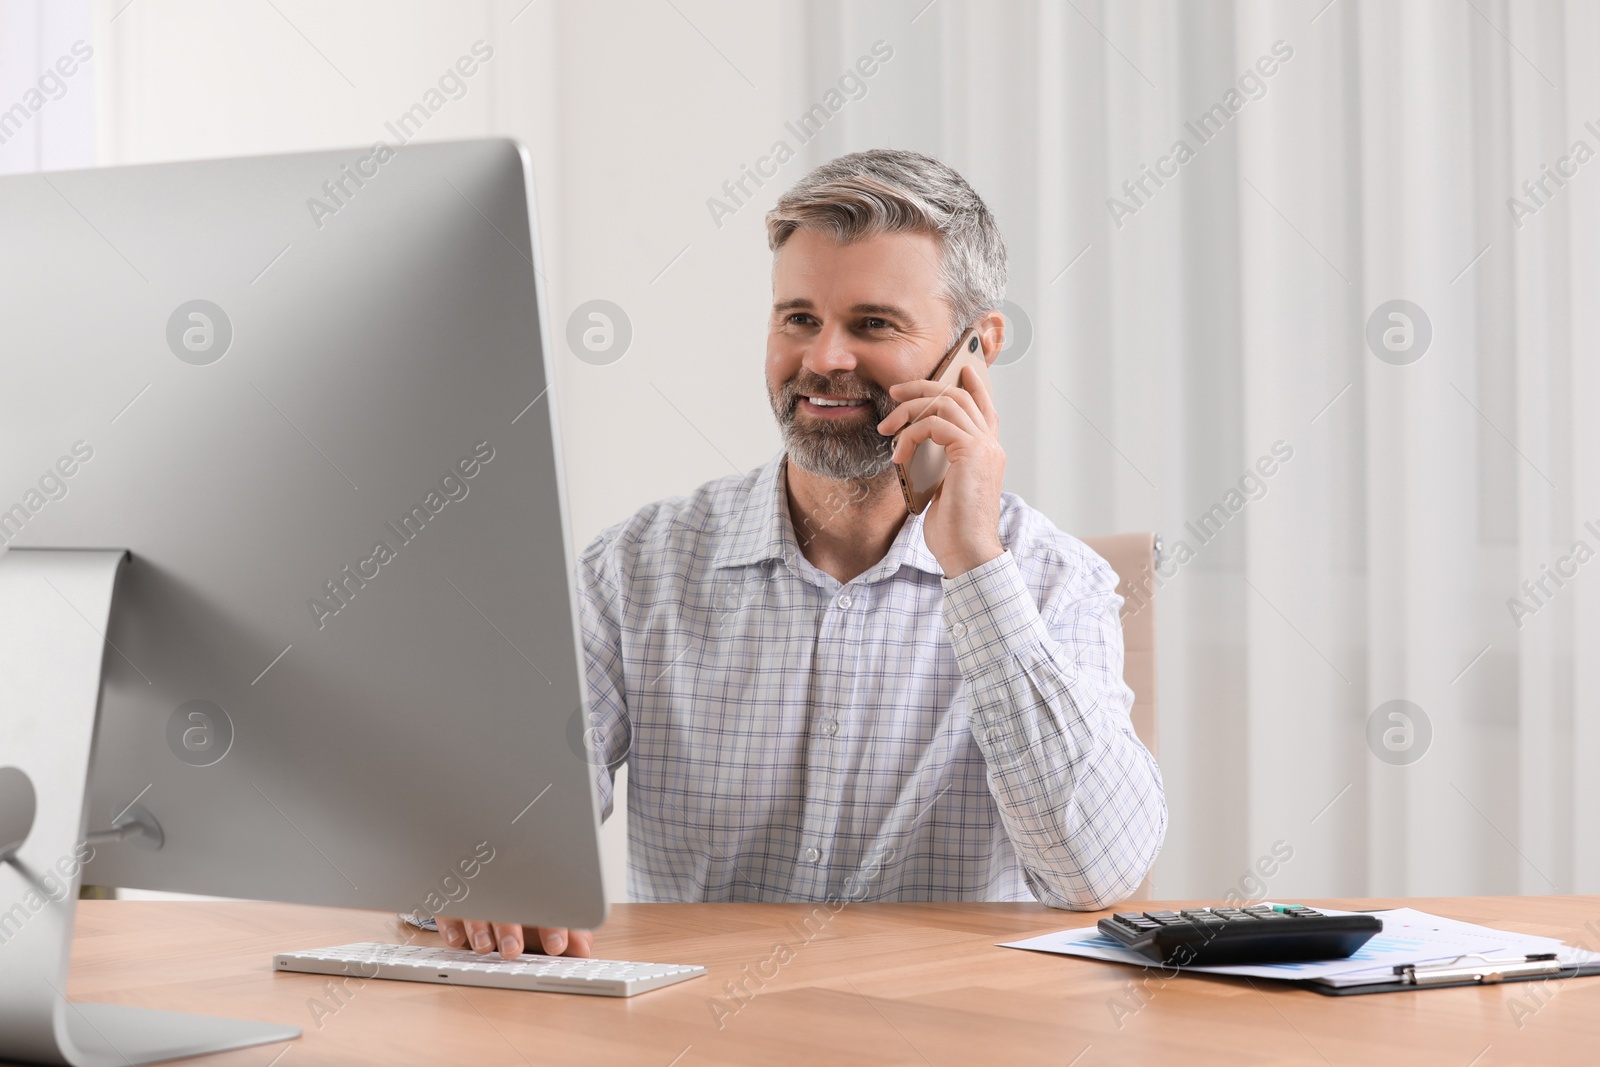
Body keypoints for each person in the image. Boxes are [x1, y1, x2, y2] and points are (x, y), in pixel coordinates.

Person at [438, 149, 1166, 960]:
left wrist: (976, 565)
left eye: (873, 324)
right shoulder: (637, 570)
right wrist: (491, 861)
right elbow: (495, 813)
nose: (824, 359)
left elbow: (1096, 874)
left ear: (977, 351)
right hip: (700, 1033)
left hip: (946, 1033)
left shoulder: (1054, 582)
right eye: (799, 319)